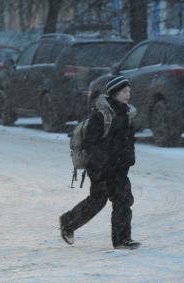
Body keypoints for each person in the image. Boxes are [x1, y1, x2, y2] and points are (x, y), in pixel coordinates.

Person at [59, 75, 140, 250]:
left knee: (123, 200)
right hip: (101, 168)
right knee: (97, 201)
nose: (128, 95)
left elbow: (129, 139)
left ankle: (122, 240)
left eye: (129, 91)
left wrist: (128, 158)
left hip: (119, 168)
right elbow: (92, 144)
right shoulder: (101, 116)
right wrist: (99, 168)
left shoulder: (127, 115)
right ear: (115, 93)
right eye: (124, 91)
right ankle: (68, 222)